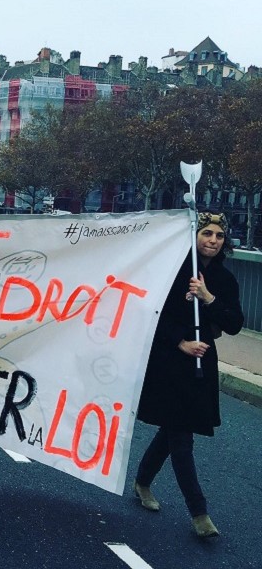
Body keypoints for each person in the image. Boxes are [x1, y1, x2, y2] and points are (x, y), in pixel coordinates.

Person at [134, 210, 243, 539]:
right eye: (206, 234)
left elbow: (234, 324)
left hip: (201, 362)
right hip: (171, 360)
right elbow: (150, 313)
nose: (212, 241)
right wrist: (179, 341)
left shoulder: (224, 279)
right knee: (181, 436)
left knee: (173, 430)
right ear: (195, 236)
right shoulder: (174, 268)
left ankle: (142, 482)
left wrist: (208, 298)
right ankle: (199, 512)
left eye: (219, 236)